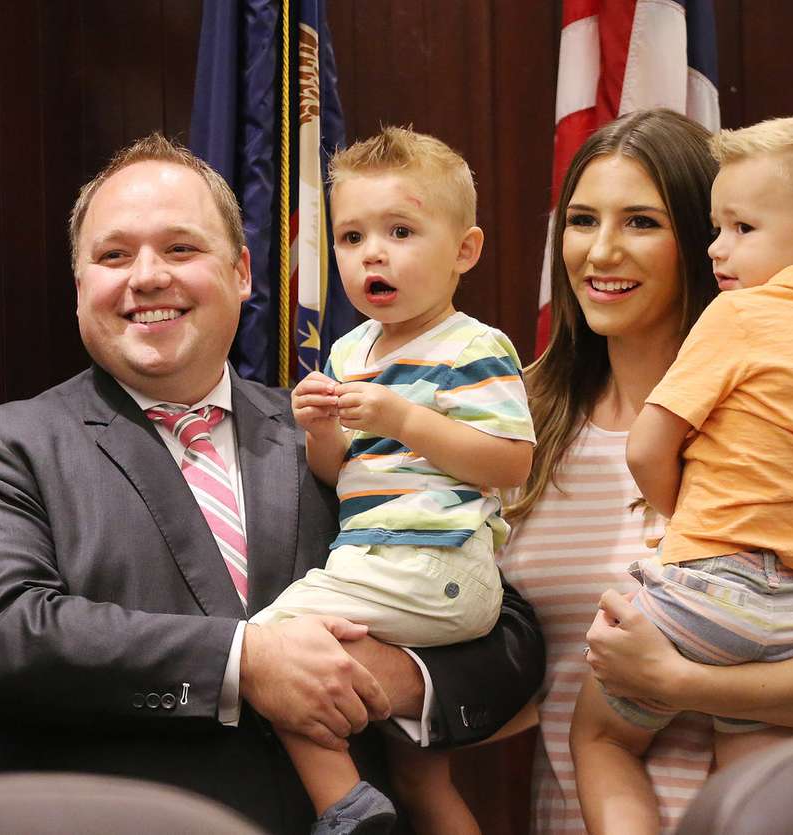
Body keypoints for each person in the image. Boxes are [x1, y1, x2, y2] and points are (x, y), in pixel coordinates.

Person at [0, 133, 545, 834]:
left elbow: (507, 631)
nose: (147, 276)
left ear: (244, 271)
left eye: (181, 249)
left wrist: (383, 677)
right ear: (80, 282)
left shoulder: (336, 424)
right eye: (113, 255)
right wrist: (248, 662)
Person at [498, 108, 793, 833]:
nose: (602, 251)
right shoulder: (511, 423)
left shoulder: (783, 421)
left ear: (702, 242)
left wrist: (682, 681)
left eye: (641, 222)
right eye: (580, 220)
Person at [252, 126, 535, 834]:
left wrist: (405, 419)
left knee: (270, 643)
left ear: (464, 251)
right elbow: (338, 471)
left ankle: (342, 806)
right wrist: (321, 429)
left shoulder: (473, 345)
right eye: (351, 238)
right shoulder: (350, 350)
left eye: (400, 231)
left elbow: (510, 461)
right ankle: (369, 802)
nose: (372, 252)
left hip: (437, 562)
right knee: (420, 771)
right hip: (381, 560)